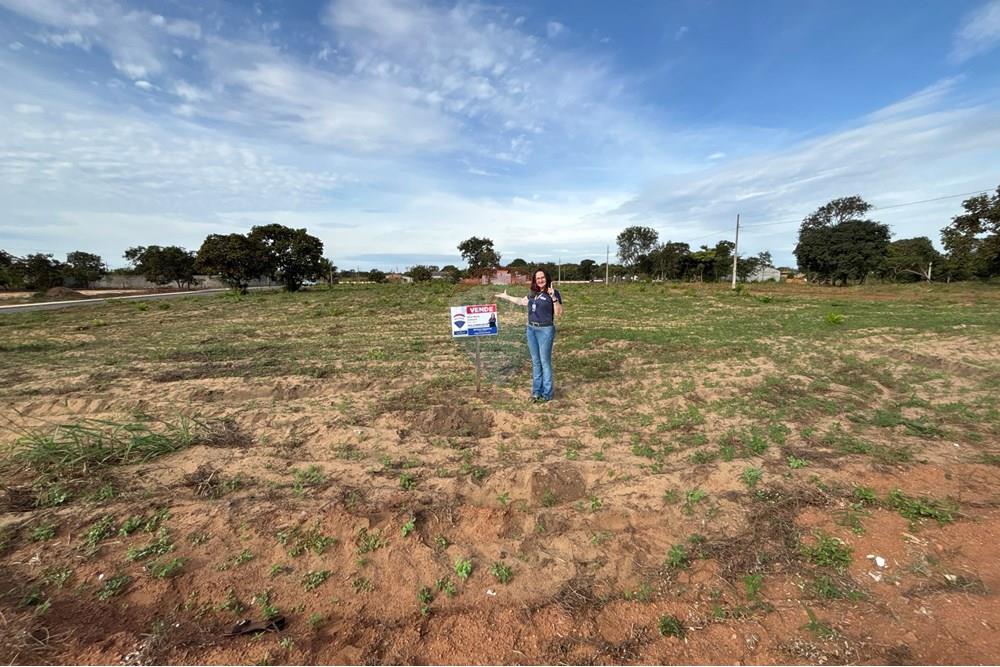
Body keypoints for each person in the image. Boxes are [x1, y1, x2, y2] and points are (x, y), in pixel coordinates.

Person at [496, 268, 563, 402]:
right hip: (531, 329)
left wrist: (554, 298)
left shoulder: (553, 293)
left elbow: (559, 313)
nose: (540, 280)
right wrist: (506, 297)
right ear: (534, 280)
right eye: (538, 278)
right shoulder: (533, 293)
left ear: (546, 278)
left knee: (545, 362)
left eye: (542, 277)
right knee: (536, 362)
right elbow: (521, 301)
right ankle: (536, 392)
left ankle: (547, 394)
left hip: (545, 330)